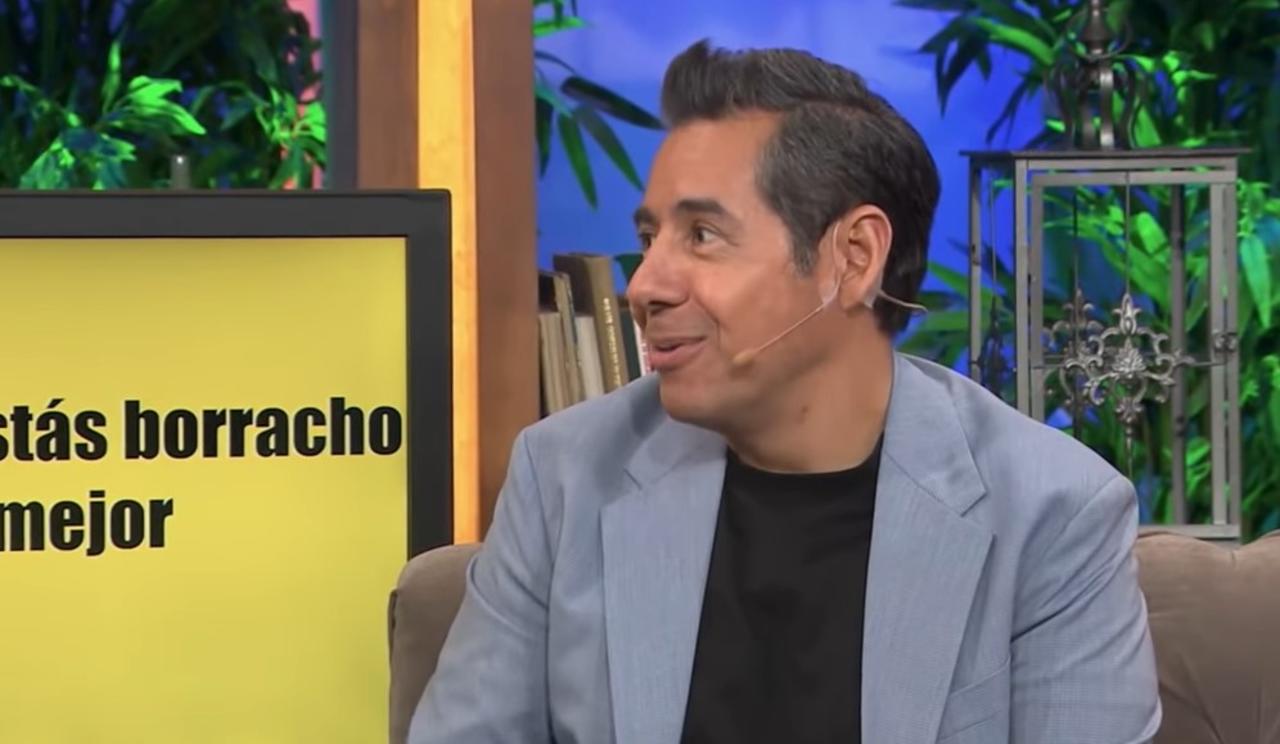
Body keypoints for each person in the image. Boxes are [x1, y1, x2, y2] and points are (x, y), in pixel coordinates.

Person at [409, 39, 1161, 744]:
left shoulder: (1052, 515)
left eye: (702, 236)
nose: (644, 287)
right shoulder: (565, 476)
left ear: (853, 258)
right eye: (649, 239)